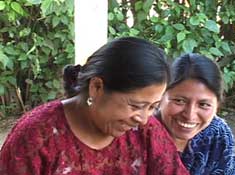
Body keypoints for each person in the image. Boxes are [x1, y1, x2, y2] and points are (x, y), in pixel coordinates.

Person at [0, 37, 189, 175]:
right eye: (135, 105)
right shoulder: (37, 135)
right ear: (97, 87)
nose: (143, 118)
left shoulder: (146, 132)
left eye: (152, 107)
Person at [155, 53, 235, 174]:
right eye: (179, 101)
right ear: (160, 98)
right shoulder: (138, 133)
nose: (190, 115)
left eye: (204, 104)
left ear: (217, 105)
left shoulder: (218, 133)